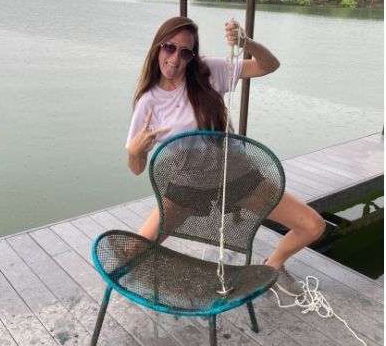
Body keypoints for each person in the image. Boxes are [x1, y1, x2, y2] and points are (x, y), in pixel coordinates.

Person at [125, 16, 325, 296]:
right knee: (131, 251)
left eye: (185, 52)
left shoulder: (208, 72)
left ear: (192, 56)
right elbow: (136, 167)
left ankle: (274, 264)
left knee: (313, 226)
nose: (175, 58)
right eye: (169, 48)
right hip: (187, 186)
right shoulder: (148, 101)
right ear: (157, 47)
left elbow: (269, 66)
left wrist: (247, 43)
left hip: (239, 176)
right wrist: (135, 152)